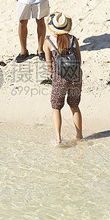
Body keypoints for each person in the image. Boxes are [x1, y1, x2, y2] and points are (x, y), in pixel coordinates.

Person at [43, 12, 82, 145]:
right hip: (76, 76)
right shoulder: (73, 39)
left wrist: (52, 76)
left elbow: (49, 64)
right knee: (75, 106)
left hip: (60, 77)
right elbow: (79, 60)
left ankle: (58, 138)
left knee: (56, 107)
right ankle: (79, 136)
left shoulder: (48, 41)